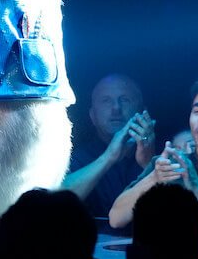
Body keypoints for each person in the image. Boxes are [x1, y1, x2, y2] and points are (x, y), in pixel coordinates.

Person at [108, 75, 198, 233]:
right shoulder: (171, 164)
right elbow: (116, 219)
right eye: (197, 111)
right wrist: (154, 178)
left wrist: (196, 185)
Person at [62, 74, 154, 220]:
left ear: (143, 111)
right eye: (106, 101)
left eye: (124, 100)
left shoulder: (164, 152)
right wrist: (108, 157)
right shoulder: (76, 159)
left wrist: (149, 164)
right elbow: (56, 200)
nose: (116, 108)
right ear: (92, 116)